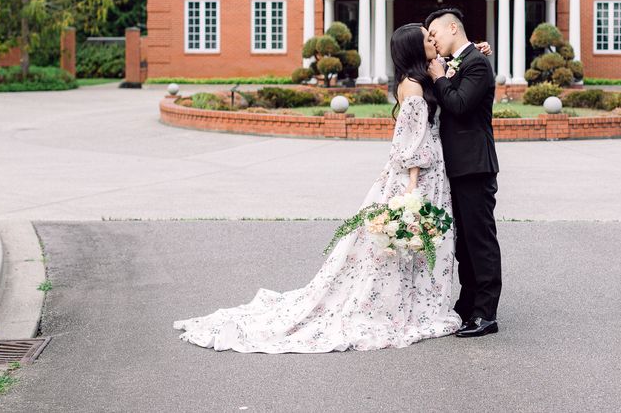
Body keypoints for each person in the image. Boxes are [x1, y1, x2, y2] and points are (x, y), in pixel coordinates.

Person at [173, 23, 461, 352]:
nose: (434, 41)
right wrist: (412, 191)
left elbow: (446, 81)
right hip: (417, 176)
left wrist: (470, 54)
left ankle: (418, 303)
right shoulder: (411, 88)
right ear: (414, 48)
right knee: (406, 243)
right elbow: (410, 142)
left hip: (429, 171)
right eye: (428, 38)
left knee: (415, 247)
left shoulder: (424, 76)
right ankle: (405, 308)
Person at [425, 7, 502, 338]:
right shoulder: (463, 61)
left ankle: (486, 313)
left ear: (452, 28)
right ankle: (468, 303)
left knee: (480, 240)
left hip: (475, 165)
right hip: (459, 166)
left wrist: (440, 77)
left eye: (435, 34)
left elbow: (458, 104)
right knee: (465, 242)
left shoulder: (477, 63)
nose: (433, 41)